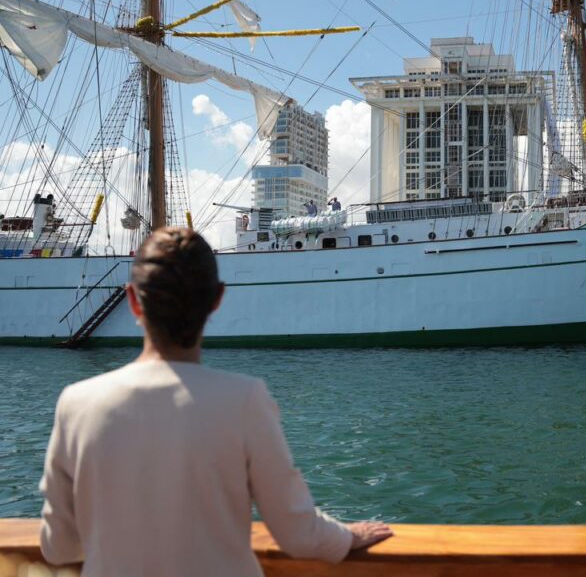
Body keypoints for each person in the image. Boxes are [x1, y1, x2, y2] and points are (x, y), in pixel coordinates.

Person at [39, 228, 392, 576]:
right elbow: (297, 534)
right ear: (217, 299)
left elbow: (59, 548)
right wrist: (348, 536)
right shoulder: (244, 401)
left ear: (133, 300)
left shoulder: (76, 404)